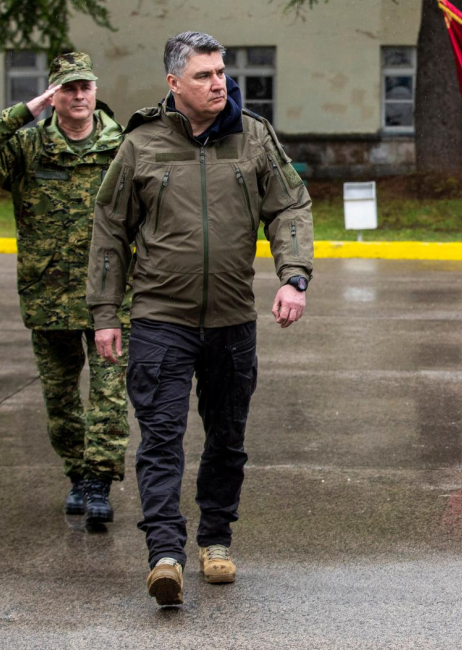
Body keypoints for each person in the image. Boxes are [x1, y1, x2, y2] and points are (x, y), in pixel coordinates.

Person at [87, 31, 314, 606]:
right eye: (204, 76)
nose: (219, 84)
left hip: (232, 318)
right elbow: (110, 228)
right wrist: (105, 312)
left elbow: (290, 205)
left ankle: (216, 540)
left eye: (221, 73)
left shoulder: (253, 136)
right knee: (161, 439)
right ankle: (165, 554)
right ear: (173, 83)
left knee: (227, 439)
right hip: (161, 317)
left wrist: (294, 276)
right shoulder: (141, 143)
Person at [0, 52, 131, 523]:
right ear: (53, 95)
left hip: (111, 296)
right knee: (60, 399)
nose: (78, 96)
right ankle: (77, 473)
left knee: (109, 397)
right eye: (67, 88)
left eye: (85, 87)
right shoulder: (29, 147)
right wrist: (25, 111)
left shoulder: (121, 146)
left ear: (95, 91)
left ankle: (99, 483)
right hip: (48, 297)